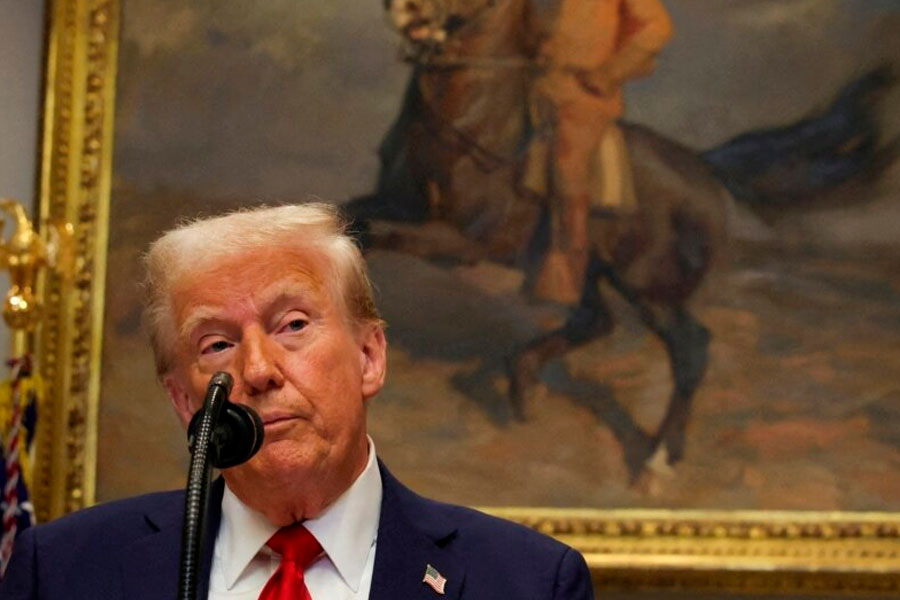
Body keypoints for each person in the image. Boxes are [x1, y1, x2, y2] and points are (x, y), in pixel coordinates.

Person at [0, 203, 594, 599]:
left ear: (369, 357)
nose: (258, 371)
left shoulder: (526, 582)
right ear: (184, 400)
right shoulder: (64, 572)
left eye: (293, 325)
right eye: (217, 344)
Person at [523, 0, 673, 303]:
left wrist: (609, 73)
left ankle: (566, 274)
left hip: (583, 94)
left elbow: (657, 27)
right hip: (535, 83)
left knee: (568, 168)